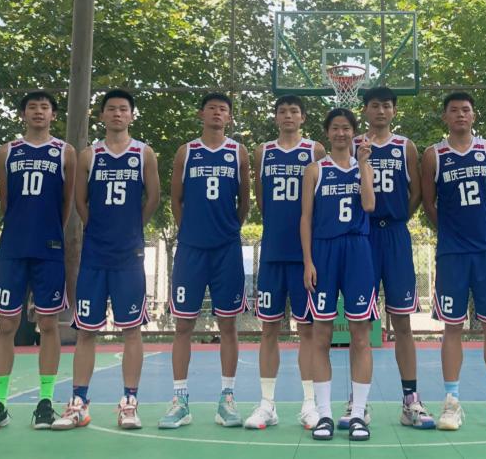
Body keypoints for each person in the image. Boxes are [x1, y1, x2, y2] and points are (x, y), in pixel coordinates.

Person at [51, 89, 160, 431]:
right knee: (86, 330)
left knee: (132, 330)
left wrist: (131, 229)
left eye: (123, 109)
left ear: (131, 116)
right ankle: (78, 403)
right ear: (102, 116)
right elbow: (80, 202)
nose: (117, 114)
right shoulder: (90, 155)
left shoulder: (143, 153)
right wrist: (97, 228)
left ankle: (129, 402)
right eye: (111, 109)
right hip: (95, 255)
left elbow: (153, 198)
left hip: (129, 255)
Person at [421, 91, 486, 432]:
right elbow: (430, 205)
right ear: (445, 117)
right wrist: (453, 233)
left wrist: (484, 230)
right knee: (452, 327)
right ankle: (451, 402)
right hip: (452, 253)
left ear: (473, 116)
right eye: (454, 110)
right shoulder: (434, 155)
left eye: (466, 110)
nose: (460, 115)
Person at [0, 91, 76, 431]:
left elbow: (66, 203)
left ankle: (46, 402)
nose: (38, 112)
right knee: (6, 324)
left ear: (53, 115)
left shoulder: (65, 152)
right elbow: (6, 200)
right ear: (23, 114)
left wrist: (49, 232)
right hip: (13, 249)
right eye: (32, 107)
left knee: (48, 325)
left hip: (48, 249)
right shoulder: (7, 151)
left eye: (44, 107)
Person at [339, 86, 433, 430]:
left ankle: (411, 400)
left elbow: (416, 192)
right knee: (359, 324)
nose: (381, 111)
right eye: (375, 105)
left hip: (394, 235)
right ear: (365, 110)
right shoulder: (352, 145)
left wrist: (397, 217)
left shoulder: (405, 146)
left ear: (394, 111)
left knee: (402, 322)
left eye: (387, 106)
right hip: (361, 237)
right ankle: (358, 403)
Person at [159, 93, 250, 429]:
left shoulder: (238, 152)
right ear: (201, 114)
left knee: (228, 324)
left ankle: (227, 398)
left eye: (223, 109)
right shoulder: (187, 151)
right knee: (183, 325)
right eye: (212, 108)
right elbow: (176, 199)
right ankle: (180, 400)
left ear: (229, 117)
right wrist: (191, 231)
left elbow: (244, 201)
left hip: (226, 249)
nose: (217, 113)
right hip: (191, 249)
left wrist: (228, 229)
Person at [244, 95, 325, 430]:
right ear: (276, 117)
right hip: (273, 253)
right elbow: (262, 200)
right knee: (268, 330)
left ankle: (310, 404)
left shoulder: (315, 151)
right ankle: (267, 404)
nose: (288, 115)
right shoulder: (263, 152)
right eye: (282, 111)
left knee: (307, 330)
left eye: (294, 111)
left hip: (304, 255)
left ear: (303, 117)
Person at [301, 108, 376, 441]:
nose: (341, 133)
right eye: (335, 128)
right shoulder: (315, 170)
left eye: (346, 128)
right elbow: (305, 218)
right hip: (324, 252)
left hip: (357, 250)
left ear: (353, 133)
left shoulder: (364, 167)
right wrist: (308, 261)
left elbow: (370, 205)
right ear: (327, 133)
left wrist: (363, 165)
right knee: (321, 336)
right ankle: (324, 415)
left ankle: (358, 414)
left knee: (360, 336)